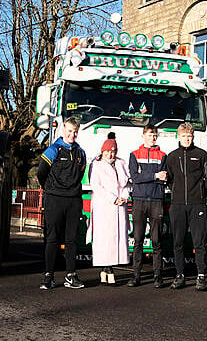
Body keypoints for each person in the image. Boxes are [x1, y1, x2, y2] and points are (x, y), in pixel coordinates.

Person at [37, 117, 87, 290]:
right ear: (63, 129)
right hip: (54, 199)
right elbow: (41, 172)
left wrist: (71, 190)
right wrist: (51, 189)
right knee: (52, 238)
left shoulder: (81, 153)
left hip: (73, 200)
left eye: (75, 132)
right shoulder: (53, 149)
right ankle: (48, 276)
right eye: (69, 131)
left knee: (71, 239)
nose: (72, 134)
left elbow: (80, 174)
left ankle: (71, 275)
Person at [165, 122, 207, 290]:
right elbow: (169, 179)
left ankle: (201, 275)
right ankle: (180, 275)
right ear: (179, 137)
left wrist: (201, 192)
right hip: (178, 205)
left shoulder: (201, 155)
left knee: (199, 242)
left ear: (193, 137)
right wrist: (176, 191)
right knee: (178, 242)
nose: (187, 139)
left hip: (197, 204)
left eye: (189, 136)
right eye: (184, 136)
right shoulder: (171, 156)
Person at [127, 125, 167, 288]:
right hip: (139, 200)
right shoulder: (134, 154)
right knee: (138, 240)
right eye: (150, 135)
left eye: (155, 135)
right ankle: (136, 275)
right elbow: (135, 177)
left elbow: (164, 177)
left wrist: (151, 177)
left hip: (157, 200)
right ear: (143, 136)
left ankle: (158, 276)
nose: (153, 138)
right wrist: (155, 175)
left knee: (157, 241)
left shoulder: (163, 155)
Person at [90, 137, 131, 285]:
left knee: (116, 240)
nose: (110, 154)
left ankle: (108, 268)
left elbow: (126, 184)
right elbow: (96, 186)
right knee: (105, 239)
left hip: (119, 207)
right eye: (107, 151)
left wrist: (123, 197)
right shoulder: (97, 165)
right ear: (103, 151)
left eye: (113, 151)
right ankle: (107, 269)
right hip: (104, 207)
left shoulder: (121, 164)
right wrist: (112, 198)